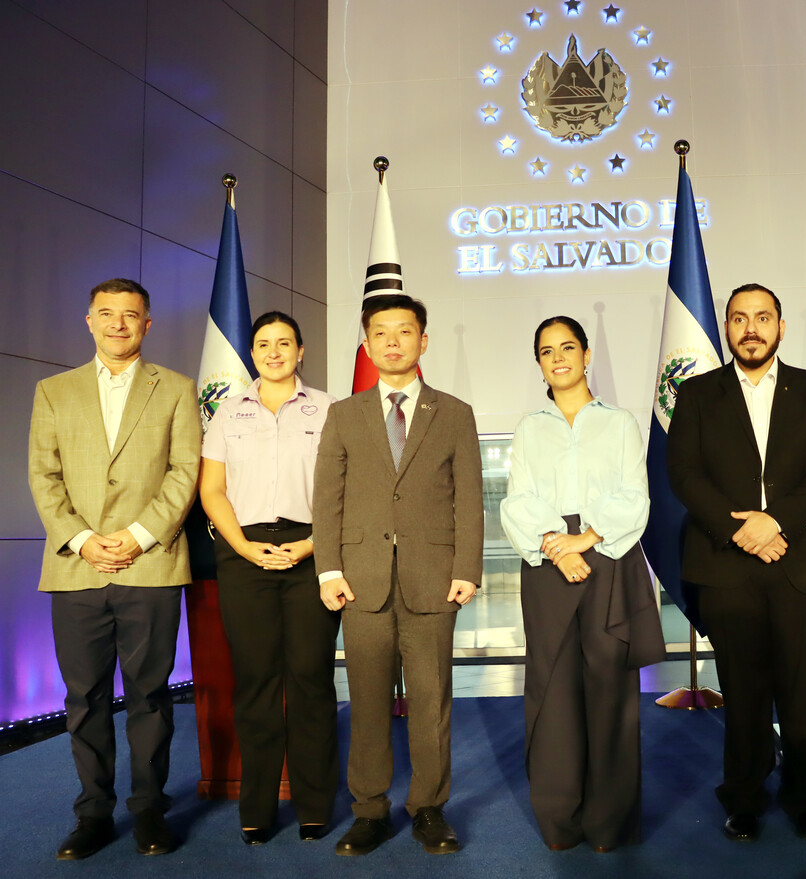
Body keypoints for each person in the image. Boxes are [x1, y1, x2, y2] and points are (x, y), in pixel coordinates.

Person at [667, 283, 806, 842]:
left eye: (762, 317)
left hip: (801, 564)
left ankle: (803, 799)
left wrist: (776, 522)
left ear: (780, 327)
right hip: (727, 567)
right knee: (742, 694)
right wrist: (742, 529)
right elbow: (685, 474)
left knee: (800, 693)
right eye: (740, 318)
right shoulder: (696, 393)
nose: (751, 327)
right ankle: (742, 798)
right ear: (726, 328)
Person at [28, 278, 201, 859]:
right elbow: (43, 476)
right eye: (107, 313)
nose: (118, 324)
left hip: (149, 565)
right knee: (85, 698)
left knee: (150, 696)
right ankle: (93, 814)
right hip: (76, 571)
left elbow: (185, 472)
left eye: (131, 315)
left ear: (148, 324)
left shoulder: (176, 389)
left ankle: (150, 810)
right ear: (89, 320)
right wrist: (82, 540)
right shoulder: (53, 391)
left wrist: (135, 536)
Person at [313, 294, 483, 857]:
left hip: (433, 579)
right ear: (367, 345)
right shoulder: (344, 413)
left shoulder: (453, 412)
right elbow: (328, 499)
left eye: (404, 331)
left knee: (432, 701)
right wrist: (328, 570)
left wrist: (466, 569)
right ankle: (369, 811)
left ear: (422, 341)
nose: (392, 341)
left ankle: (429, 808)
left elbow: (470, 499)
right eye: (380, 333)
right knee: (364, 702)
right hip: (359, 582)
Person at [500, 317, 666, 852]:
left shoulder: (619, 423)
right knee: (552, 694)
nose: (558, 358)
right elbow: (518, 499)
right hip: (550, 566)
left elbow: (633, 496)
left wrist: (585, 540)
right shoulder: (529, 427)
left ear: (587, 354)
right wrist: (557, 544)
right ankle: (560, 820)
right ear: (539, 363)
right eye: (546, 351)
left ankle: (608, 824)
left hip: (607, 560)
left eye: (567, 347)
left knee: (610, 694)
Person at [198, 312, 341, 844]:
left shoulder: (329, 409)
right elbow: (212, 490)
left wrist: (310, 545)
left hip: (313, 547)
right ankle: (256, 809)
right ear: (252, 353)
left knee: (309, 679)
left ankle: (314, 807)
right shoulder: (227, 412)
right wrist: (244, 548)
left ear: (301, 350)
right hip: (243, 552)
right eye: (263, 344)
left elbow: (344, 490)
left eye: (284, 343)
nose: (274, 352)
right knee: (256, 682)